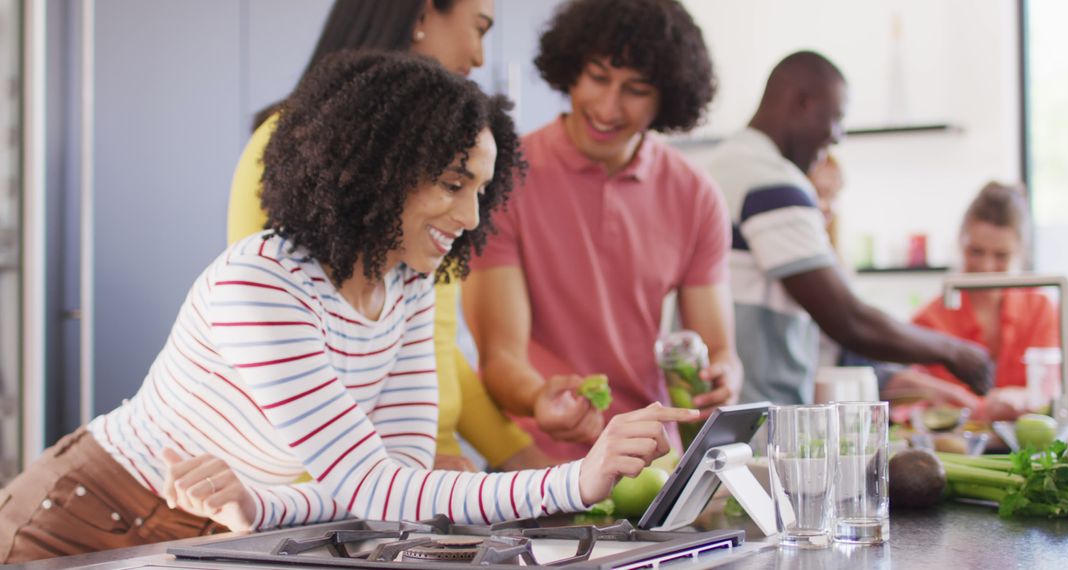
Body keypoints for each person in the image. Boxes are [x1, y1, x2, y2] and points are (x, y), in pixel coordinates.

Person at [0, 52, 697, 563]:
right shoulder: (262, 285)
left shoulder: (407, 288)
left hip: (215, 526)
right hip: (88, 512)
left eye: (482, 189)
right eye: (453, 184)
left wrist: (258, 506)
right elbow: (380, 485)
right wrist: (577, 477)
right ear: (380, 171)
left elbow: (384, 480)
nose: (470, 214)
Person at [227, 0, 549, 472]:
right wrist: (413, 471)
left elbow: (436, 349)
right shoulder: (291, 146)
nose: (480, 58)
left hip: (419, 473)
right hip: (325, 486)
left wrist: (524, 457)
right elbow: (280, 352)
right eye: (478, 29)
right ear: (420, 17)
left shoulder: (439, 186)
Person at [462, 0, 742, 461]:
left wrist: (725, 376)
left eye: (636, 89)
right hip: (536, 463)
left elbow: (718, 350)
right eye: (597, 77)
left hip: (651, 459)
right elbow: (500, 358)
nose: (608, 107)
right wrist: (542, 399)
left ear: (667, 98)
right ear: (571, 70)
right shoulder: (504, 178)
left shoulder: (695, 195)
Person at [705, 50, 993, 405]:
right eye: (836, 118)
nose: (838, 136)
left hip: (723, 410)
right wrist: (954, 352)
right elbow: (849, 320)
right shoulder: (769, 181)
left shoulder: (722, 165)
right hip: (757, 414)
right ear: (802, 103)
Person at [888, 183, 1059, 420]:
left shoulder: (1040, 309)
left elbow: (1050, 391)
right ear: (960, 243)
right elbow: (912, 405)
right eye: (976, 252)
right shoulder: (929, 319)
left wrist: (1021, 396)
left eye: (1001, 256)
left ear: (1020, 251)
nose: (986, 267)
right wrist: (977, 407)